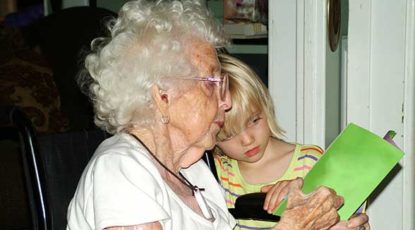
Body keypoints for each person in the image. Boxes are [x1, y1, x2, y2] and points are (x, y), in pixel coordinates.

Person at [67, 1, 346, 229]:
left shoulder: (193, 171)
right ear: (162, 97)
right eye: (213, 83)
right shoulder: (120, 168)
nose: (225, 102)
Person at [214, 53, 370, 230]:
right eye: (228, 135)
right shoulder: (217, 175)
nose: (247, 140)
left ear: (266, 106)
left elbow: (347, 214)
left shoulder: (310, 160)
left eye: (254, 121)